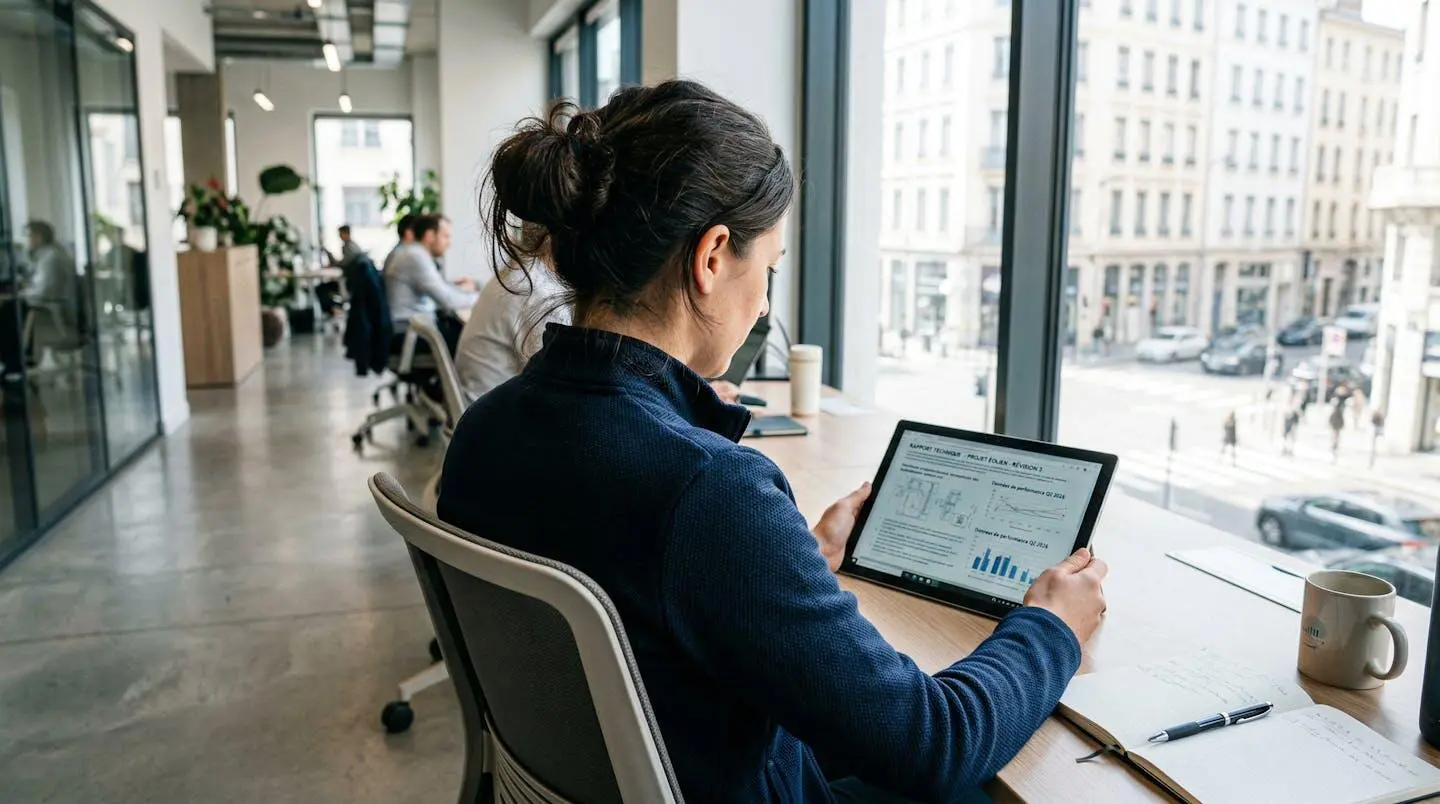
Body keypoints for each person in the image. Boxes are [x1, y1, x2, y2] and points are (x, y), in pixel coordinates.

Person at [439, 81, 1108, 802]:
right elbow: (933, 743)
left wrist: (794, 557)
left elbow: (641, 596)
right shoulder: (707, 491)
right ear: (713, 256)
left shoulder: (486, 429)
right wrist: (1051, 626)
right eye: (771, 270)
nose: (764, 301)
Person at [383, 213, 477, 353]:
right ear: (429, 235)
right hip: (410, 334)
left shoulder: (415, 253)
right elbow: (448, 300)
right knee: (473, 338)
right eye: (445, 236)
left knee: (462, 329)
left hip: (415, 328)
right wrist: (483, 298)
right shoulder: (414, 256)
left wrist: (458, 288)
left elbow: (441, 290)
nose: (449, 243)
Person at [1, 221, 79, 372]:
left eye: (29, 236)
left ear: (39, 237)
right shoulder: (51, 254)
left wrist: (16, 295)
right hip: (50, 304)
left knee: (8, 312)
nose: (27, 240)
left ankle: (13, 364)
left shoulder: (51, 258)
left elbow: (42, 292)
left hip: (51, 309)